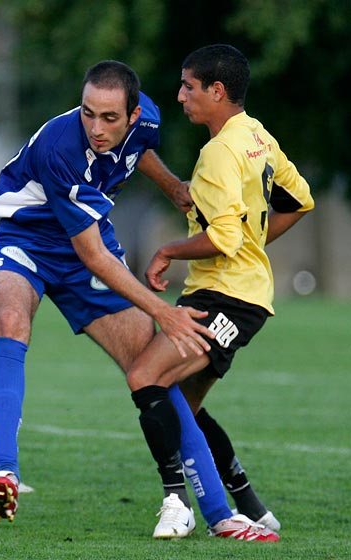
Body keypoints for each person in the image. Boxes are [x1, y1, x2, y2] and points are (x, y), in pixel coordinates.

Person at [0, 60, 272, 538]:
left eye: (110, 118)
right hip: (19, 236)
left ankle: (220, 515)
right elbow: (93, 256)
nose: (96, 127)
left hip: (82, 241)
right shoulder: (62, 148)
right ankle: (3, 470)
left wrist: (174, 185)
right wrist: (162, 310)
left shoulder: (146, 119)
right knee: (11, 319)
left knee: (151, 371)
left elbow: (139, 152)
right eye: (88, 114)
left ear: (134, 114)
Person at [127, 43, 314, 541]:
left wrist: (167, 249)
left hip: (224, 296)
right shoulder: (257, 136)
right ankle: (251, 506)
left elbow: (226, 238)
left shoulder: (219, 151)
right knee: (186, 407)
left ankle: (177, 503)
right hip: (242, 294)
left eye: (189, 86)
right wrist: (252, 245)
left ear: (218, 90)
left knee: (145, 376)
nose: (181, 95)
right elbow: (299, 201)